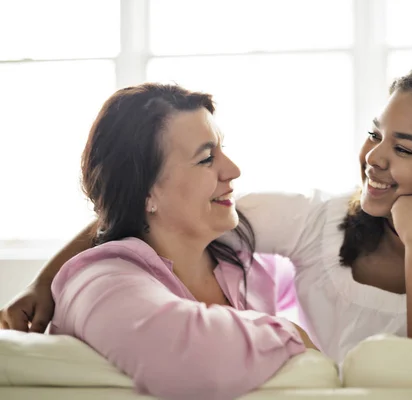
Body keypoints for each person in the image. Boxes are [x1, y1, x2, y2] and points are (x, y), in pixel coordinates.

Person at [2, 66, 412, 364]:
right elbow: (156, 208)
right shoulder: (320, 223)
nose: (375, 159)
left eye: (405, 149)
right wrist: (45, 282)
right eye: (375, 135)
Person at [4, 83, 316, 400]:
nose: (233, 170)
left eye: (222, 149)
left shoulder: (245, 265)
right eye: (207, 158)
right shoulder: (101, 282)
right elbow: (195, 364)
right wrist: (289, 334)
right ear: (146, 193)